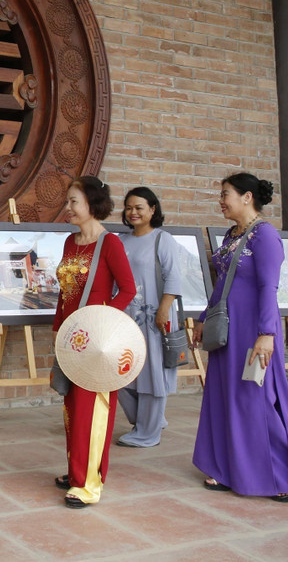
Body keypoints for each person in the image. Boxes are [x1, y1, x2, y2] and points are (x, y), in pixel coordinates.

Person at [192, 173, 288, 501]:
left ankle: (283, 477)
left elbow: (268, 287)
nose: (221, 201)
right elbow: (222, 285)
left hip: (253, 332)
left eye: (226, 195)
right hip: (227, 333)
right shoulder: (231, 235)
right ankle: (226, 469)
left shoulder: (265, 236)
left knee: (256, 398)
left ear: (247, 197)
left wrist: (267, 334)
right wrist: (205, 318)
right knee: (226, 396)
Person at [53, 176, 136, 507]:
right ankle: (77, 471)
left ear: (92, 204)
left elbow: (128, 290)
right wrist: (60, 329)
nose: (68, 207)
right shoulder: (70, 242)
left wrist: (102, 322)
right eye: (68, 201)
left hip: (96, 342)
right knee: (72, 407)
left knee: (92, 408)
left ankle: (88, 484)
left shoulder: (110, 243)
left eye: (74, 201)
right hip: (70, 338)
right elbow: (64, 293)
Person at [116, 187, 180, 447]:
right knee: (121, 372)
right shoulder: (119, 240)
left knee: (152, 372)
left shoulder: (162, 239)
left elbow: (174, 276)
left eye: (139, 207)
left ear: (153, 209)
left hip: (154, 316)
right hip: (125, 317)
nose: (133, 212)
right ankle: (150, 419)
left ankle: (147, 432)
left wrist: (164, 309)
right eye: (129, 207)